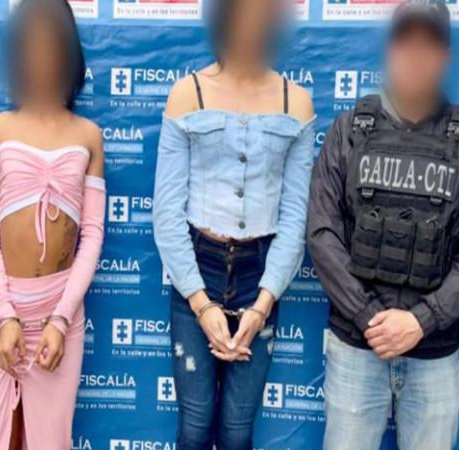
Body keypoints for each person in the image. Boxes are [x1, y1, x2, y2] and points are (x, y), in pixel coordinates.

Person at [308, 1, 459, 449]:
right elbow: (322, 232)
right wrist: (371, 318)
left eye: (427, 46)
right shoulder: (350, 129)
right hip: (357, 348)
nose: (415, 57)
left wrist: (420, 322)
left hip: (435, 355)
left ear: (446, 57)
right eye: (405, 44)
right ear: (389, 50)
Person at [152, 0, 315, 448]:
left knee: (239, 429)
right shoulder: (188, 94)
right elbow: (167, 212)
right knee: (194, 424)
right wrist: (201, 304)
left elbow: (295, 217)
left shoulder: (296, 102)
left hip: (258, 276)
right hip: (197, 270)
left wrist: (261, 306)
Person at [0, 0, 105, 449]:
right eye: (31, 47)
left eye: (52, 47)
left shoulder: (88, 135)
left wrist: (61, 320)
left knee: (51, 441)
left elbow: (92, 235)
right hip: (3, 310)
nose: (42, 58)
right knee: (3, 439)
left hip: (60, 314)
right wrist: (6, 314)